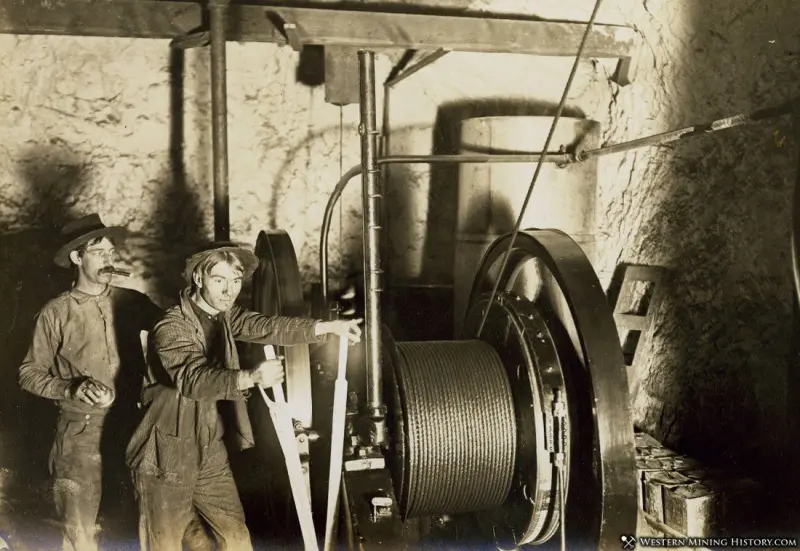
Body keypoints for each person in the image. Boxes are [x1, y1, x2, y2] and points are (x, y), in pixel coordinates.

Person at [126, 242, 362, 551]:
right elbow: (192, 379)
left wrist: (329, 326)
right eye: (219, 280)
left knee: (236, 538)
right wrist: (249, 377)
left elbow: (268, 326)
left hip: (208, 445)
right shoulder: (171, 327)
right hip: (165, 451)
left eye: (236, 280)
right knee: (167, 544)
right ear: (199, 279)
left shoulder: (225, 316)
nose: (229, 290)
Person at [18, 213, 163, 551]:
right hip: (80, 434)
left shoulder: (131, 301)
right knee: (81, 532)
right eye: (99, 252)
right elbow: (27, 372)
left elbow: (174, 331)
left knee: (132, 524)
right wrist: (71, 387)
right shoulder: (55, 313)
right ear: (76, 258)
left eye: (111, 253)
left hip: (131, 427)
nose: (108, 260)